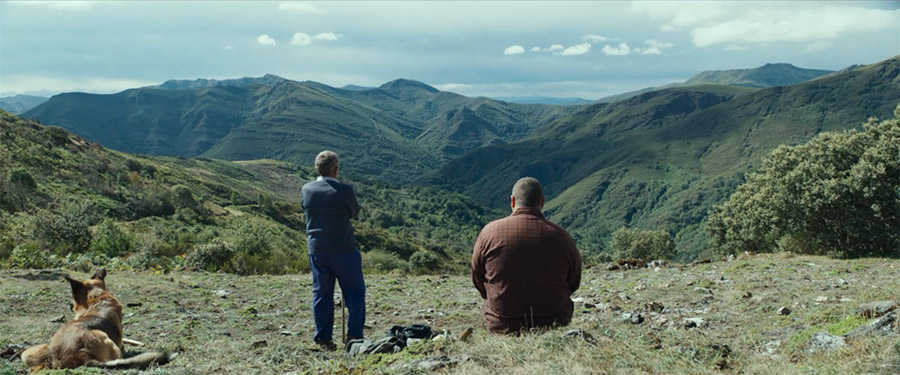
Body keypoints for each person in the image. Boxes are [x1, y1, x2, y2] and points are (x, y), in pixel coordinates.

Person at [471, 177, 582, 334]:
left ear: (512, 201)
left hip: (502, 324)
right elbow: (574, 281)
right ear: (542, 202)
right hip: (553, 323)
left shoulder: (489, 233)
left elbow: (477, 276)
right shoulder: (562, 236)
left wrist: (493, 296)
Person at [301, 150, 365, 350]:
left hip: (317, 249)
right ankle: (354, 336)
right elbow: (354, 212)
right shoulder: (345, 190)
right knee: (354, 293)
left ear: (316, 168)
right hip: (343, 248)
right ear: (336, 169)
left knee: (322, 293)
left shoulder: (306, 189)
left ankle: (323, 338)